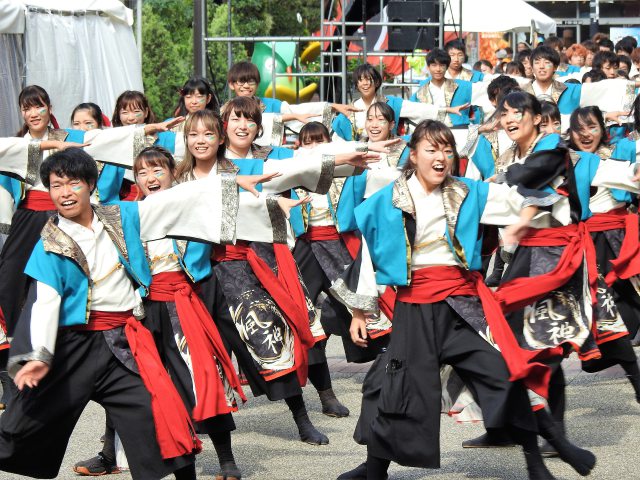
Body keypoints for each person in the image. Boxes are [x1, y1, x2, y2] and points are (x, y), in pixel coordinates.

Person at [335, 119, 592, 480]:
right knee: (390, 386)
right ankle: (375, 468)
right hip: (415, 308)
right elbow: (367, 255)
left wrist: (530, 212)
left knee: (504, 373)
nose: (441, 157)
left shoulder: (469, 192)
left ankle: (541, 457)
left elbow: (527, 195)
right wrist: (360, 311)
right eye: (431, 149)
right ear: (413, 155)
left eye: (447, 149)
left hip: (462, 306)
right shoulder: (386, 201)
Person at [0, 147, 277, 479]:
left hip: (122, 342)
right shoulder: (49, 243)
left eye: (73, 183)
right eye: (56, 185)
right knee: (21, 425)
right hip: (74, 348)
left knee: (160, 415)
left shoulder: (121, 217)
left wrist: (225, 184)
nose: (64, 193)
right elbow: (45, 301)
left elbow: (173, 201)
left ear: (90, 185)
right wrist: (40, 355)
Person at [180, 106, 382, 446]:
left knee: (271, 338)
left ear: (219, 138)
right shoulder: (178, 176)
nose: (201, 141)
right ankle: (183, 436)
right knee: (191, 356)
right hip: (193, 279)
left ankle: (303, 417)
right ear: (185, 140)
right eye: (194, 135)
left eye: (208, 134)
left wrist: (346, 160)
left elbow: (293, 166)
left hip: (242, 267)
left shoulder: (243, 167)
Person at [332, 63, 445, 142]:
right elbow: (337, 139)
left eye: (369, 79)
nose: (365, 83)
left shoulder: (391, 103)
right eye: (360, 80)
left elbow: (419, 109)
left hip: (389, 152)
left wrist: (446, 110)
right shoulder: (349, 110)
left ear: (376, 82)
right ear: (357, 84)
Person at [410, 48, 473, 128]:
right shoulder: (421, 91)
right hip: (429, 132)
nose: (438, 69)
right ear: (428, 67)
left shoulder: (463, 86)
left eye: (442, 65)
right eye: (434, 65)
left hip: (457, 130)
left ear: (447, 67)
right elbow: (412, 110)